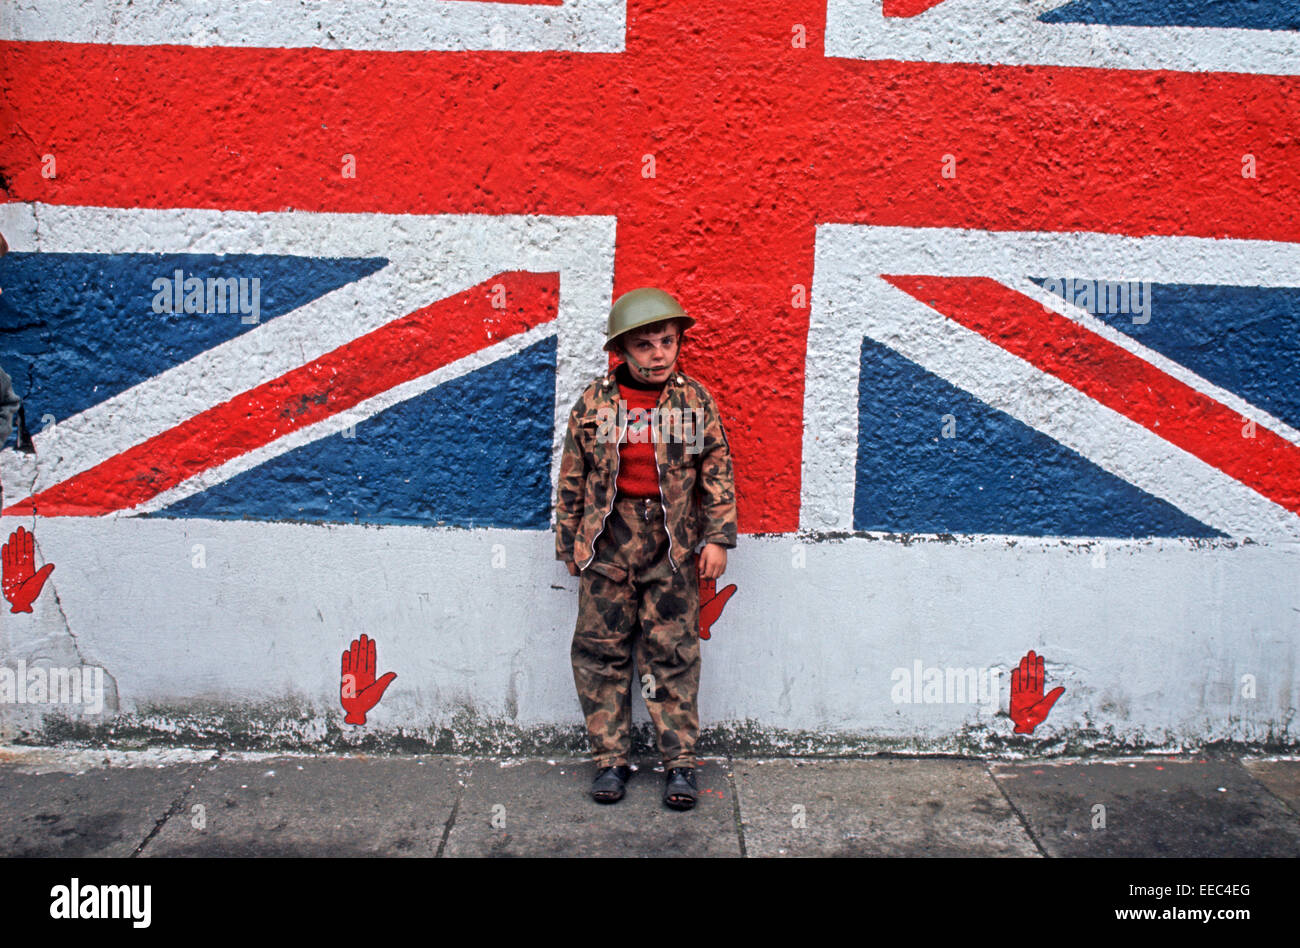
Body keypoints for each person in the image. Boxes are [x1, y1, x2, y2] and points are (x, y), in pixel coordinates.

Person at [554, 287, 737, 810]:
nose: (659, 354)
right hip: (606, 543)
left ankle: (678, 765)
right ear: (623, 351)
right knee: (600, 654)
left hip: (672, 545)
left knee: (671, 655)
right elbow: (572, 476)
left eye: (667, 342)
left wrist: (718, 537)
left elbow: (716, 468)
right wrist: (570, 542)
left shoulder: (694, 401)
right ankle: (610, 760)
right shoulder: (594, 403)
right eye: (645, 345)